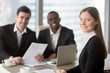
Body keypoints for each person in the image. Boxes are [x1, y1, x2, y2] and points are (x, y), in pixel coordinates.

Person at [55, 7, 107, 73]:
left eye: (87, 20)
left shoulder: (94, 43)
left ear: (96, 21)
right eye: (81, 19)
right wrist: (66, 72)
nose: (83, 23)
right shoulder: (88, 39)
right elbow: (82, 66)